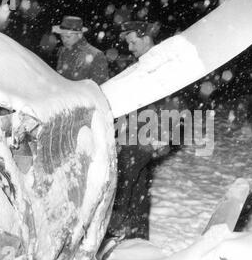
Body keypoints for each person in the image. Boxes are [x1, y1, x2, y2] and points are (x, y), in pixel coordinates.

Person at [105, 21, 168, 242]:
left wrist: (160, 135)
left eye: (133, 42)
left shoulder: (161, 64)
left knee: (122, 181)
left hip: (146, 135)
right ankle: (137, 235)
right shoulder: (143, 63)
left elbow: (171, 102)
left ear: (146, 38)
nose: (130, 47)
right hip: (134, 132)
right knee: (138, 183)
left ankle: (112, 230)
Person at [52, 16, 109, 84]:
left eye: (68, 36)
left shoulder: (96, 55)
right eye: (62, 36)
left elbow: (100, 86)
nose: (64, 40)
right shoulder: (63, 51)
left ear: (80, 35)